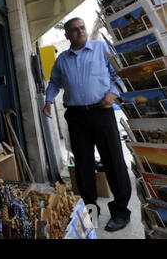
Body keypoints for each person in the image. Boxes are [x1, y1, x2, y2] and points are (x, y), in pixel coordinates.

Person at [43, 18, 132, 232]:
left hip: (102, 112)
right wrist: (48, 100)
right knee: (83, 166)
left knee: (114, 161)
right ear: (67, 36)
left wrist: (113, 93)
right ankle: (91, 212)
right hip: (76, 117)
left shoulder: (101, 48)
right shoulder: (62, 60)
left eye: (82, 28)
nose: (80, 32)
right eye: (74, 30)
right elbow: (55, 82)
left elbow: (119, 73)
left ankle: (121, 212)